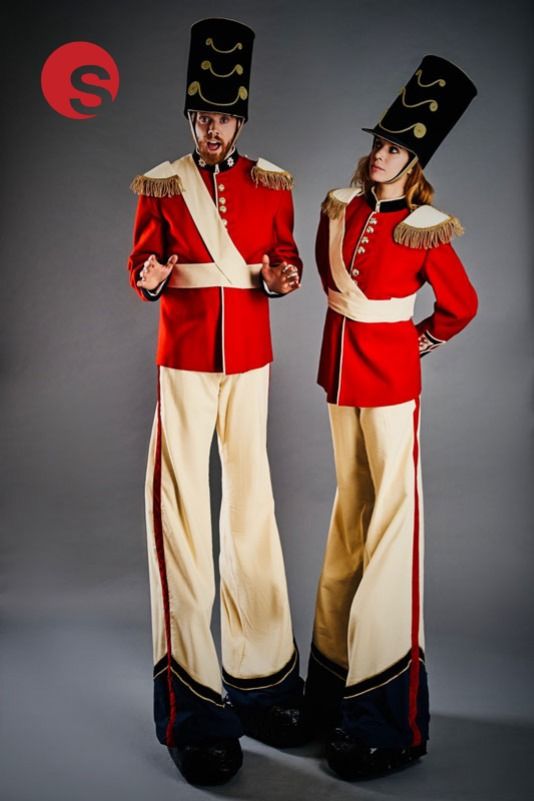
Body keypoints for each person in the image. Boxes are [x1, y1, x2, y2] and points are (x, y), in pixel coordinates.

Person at [127, 17, 306, 786]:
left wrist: (283, 276)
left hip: (251, 360)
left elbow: (286, 254)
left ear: (240, 119)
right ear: (191, 117)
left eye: (223, 117)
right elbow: (138, 260)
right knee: (182, 519)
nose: (210, 128)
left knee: (251, 513)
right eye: (201, 116)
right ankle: (192, 701)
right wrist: (152, 275)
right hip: (186, 357)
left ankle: (259, 677)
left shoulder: (270, 185)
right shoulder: (162, 185)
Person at [304, 55, 478, 780]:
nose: (380, 155)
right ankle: (331, 692)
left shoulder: (428, 226)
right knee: (349, 523)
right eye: (379, 143)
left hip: (392, 383)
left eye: (396, 149)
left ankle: (388, 715)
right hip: (341, 378)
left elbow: (460, 304)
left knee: (391, 536)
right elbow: (326, 276)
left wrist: (422, 338)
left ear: (416, 163)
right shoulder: (340, 207)